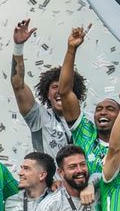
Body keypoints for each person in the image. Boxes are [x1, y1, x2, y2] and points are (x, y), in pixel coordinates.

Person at [11, 20, 95, 157]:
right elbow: (18, 85)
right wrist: (18, 47)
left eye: (63, 88)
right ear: (47, 94)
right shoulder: (38, 117)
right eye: (54, 87)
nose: (59, 91)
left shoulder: (89, 121)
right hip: (49, 178)